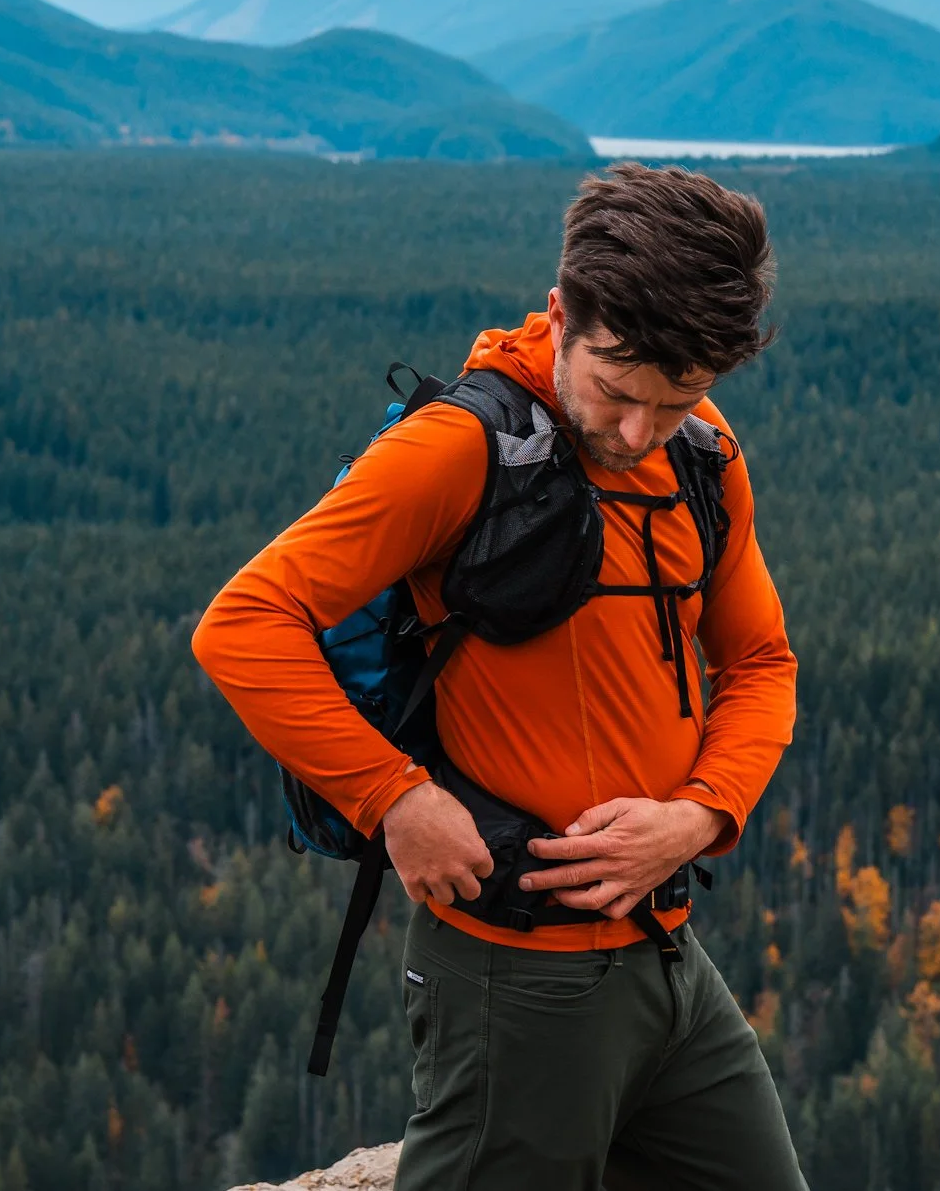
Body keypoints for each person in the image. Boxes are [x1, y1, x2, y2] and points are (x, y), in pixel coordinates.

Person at [192, 162, 805, 1190]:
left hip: (667, 965)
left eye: (678, 399)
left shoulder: (702, 455)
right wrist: (394, 798)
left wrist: (700, 815)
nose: (636, 435)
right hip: (518, 983)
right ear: (560, 313)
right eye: (616, 392)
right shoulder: (457, 451)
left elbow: (758, 660)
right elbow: (243, 624)